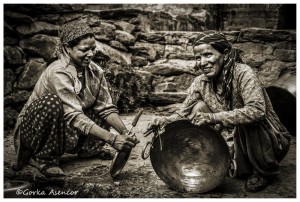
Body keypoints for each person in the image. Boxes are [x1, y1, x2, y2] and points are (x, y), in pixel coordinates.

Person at [147, 31, 291, 192]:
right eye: (198, 57)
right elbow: (183, 112)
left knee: (249, 119)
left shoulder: (243, 73)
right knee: (198, 108)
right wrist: (164, 121)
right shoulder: (200, 82)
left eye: (208, 55)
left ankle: (264, 171)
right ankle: (223, 160)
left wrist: (214, 117)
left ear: (225, 53)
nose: (202, 62)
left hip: (267, 142)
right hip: (235, 140)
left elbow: (257, 111)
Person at [13, 20, 139, 177]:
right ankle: (45, 159)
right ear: (67, 49)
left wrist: (124, 132)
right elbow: (73, 115)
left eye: (93, 48)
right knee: (51, 103)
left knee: (93, 105)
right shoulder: (58, 72)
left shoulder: (95, 71)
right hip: (33, 131)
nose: (91, 54)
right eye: (84, 50)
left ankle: (87, 150)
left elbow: (105, 107)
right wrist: (112, 139)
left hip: (68, 125)